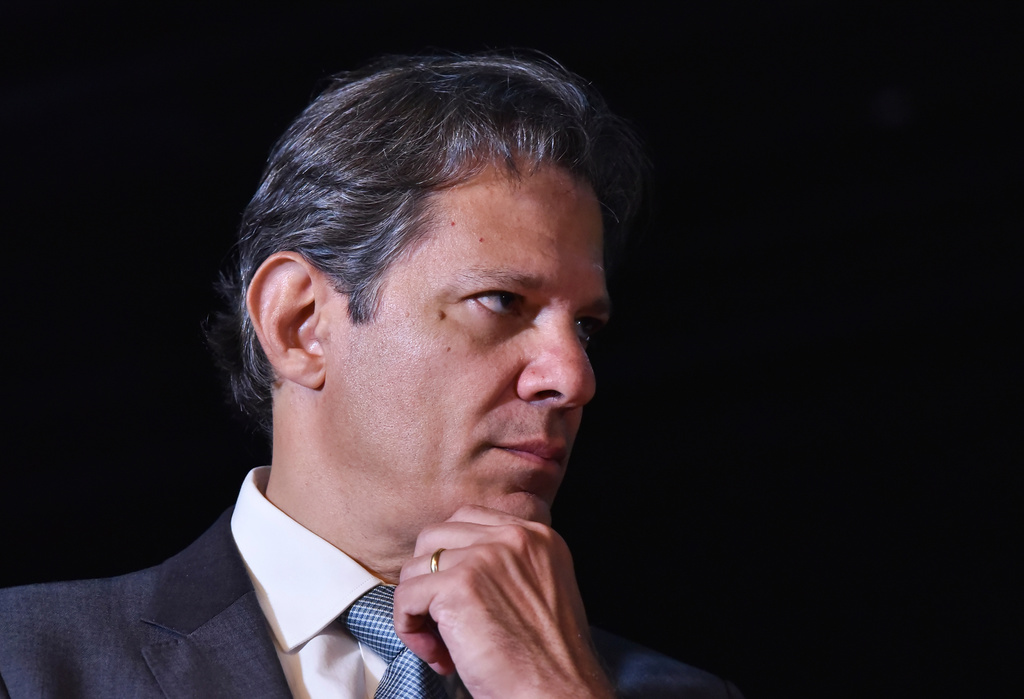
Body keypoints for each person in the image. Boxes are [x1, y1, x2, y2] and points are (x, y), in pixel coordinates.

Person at [0, 52, 743, 698]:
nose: (573, 377)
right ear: (300, 323)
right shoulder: (22, 662)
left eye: (584, 327)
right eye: (501, 301)